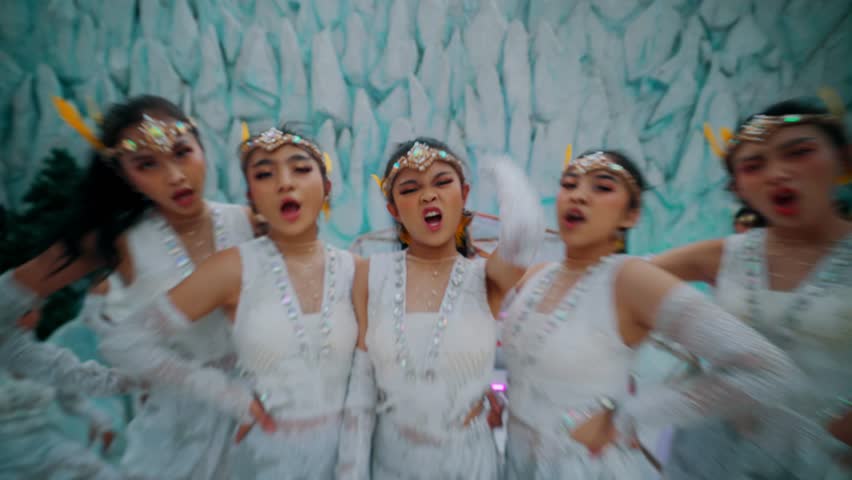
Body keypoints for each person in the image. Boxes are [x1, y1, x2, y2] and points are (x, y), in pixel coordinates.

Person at [501, 149, 800, 479]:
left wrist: (630, 415)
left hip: (585, 467)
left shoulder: (630, 279)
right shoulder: (536, 276)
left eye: (602, 187)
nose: (580, 196)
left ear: (631, 216)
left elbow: (768, 372)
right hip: (514, 464)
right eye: (570, 184)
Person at [1, 94, 256, 479]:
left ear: (201, 146)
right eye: (147, 164)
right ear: (124, 174)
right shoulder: (115, 242)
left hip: (262, 428)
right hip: (175, 439)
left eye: (181, 152)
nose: (174, 175)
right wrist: (106, 380)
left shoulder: (255, 224)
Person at [101, 126, 358, 479]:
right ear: (252, 197)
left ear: (327, 187)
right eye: (265, 175)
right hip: (265, 457)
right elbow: (124, 340)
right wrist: (222, 392)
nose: (285, 183)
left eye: (300, 169)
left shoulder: (357, 268)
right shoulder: (232, 268)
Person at [656, 99, 852, 479]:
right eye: (754, 165)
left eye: (799, 152)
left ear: (843, 160)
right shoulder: (723, 255)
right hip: (710, 456)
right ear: (738, 187)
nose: (777, 173)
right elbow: (615, 281)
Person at [336, 138, 544, 479]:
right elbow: (360, 391)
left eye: (442, 182)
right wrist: (350, 473)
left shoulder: (486, 277)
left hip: (470, 464)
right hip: (391, 463)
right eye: (410, 188)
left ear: (463, 194)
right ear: (393, 209)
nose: (428, 195)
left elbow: (523, 237)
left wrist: (501, 169)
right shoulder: (370, 274)